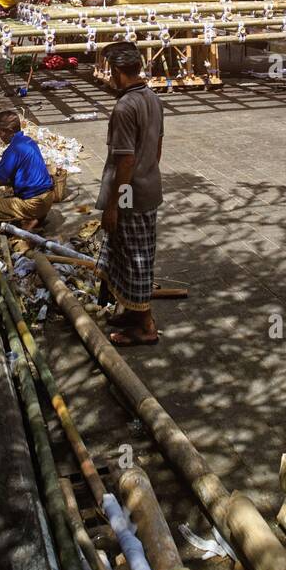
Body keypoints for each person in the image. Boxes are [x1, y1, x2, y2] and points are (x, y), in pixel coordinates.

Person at [96, 42, 163, 348]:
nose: (108, 77)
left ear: (119, 72)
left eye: (111, 72)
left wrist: (114, 206)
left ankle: (147, 325)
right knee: (126, 254)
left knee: (136, 259)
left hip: (131, 196)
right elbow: (157, 147)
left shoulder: (125, 107)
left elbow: (125, 160)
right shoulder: (152, 98)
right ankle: (131, 312)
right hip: (147, 187)